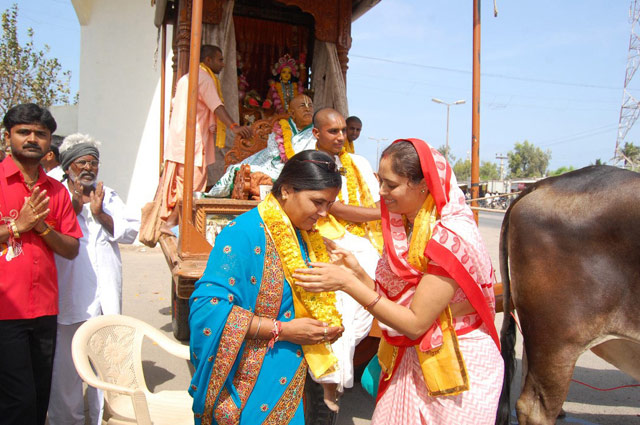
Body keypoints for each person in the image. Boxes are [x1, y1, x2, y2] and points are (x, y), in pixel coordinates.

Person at [294, 139, 504, 425]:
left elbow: (415, 322)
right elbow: (393, 304)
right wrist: (356, 271)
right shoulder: (407, 226)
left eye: (390, 185)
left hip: (456, 367)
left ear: (423, 185)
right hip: (414, 361)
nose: (380, 192)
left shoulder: (451, 236)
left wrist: (346, 283)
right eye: (380, 181)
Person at [189, 150, 345, 424]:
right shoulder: (244, 233)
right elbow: (207, 309)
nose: (324, 213)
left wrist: (322, 327)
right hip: (247, 384)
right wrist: (282, 330)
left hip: (292, 382)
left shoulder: (306, 236)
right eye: (317, 202)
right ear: (286, 190)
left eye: (329, 204)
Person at [47, 133, 139, 425]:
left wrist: (100, 215)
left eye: (93, 162)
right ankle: (67, 420)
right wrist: (71, 208)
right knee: (67, 367)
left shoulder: (106, 194)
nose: (88, 168)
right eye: (81, 162)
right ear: (67, 166)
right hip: (69, 292)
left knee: (105, 364)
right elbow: (47, 230)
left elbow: (130, 232)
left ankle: (100, 418)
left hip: (105, 292)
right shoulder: (53, 192)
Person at [0, 103, 82, 425]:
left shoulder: (56, 191)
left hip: (45, 309)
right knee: (15, 399)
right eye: (24, 132)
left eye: (41, 134)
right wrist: (18, 225)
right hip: (5, 310)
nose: (33, 138)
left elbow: (72, 248)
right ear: (9, 137)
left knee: (38, 396)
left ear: (49, 142)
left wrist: (42, 227)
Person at [311, 108, 382, 409]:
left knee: (381, 264)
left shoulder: (357, 163)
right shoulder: (310, 162)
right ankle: (335, 371)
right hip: (324, 233)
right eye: (333, 131)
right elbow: (335, 210)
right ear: (316, 134)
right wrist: (387, 214)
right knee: (348, 287)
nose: (341, 136)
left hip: (361, 236)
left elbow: (376, 198)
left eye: (344, 130)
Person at [159, 44, 251, 232]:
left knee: (184, 184)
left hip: (180, 140)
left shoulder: (187, 78)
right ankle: (173, 225)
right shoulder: (204, 78)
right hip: (192, 142)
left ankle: (177, 226)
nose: (223, 64)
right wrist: (235, 127)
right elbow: (216, 107)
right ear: (207, 60)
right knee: (191, 187)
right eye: (220, 59)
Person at [208, 94, 315, 198]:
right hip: (278, 166)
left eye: (310, 105)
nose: (307, 109)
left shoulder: (317, 133)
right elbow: (273, 153)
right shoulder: (281, 129)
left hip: (306, 171)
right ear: (292, 113)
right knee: (242, 171)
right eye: (302, 106)